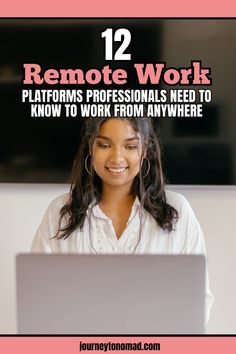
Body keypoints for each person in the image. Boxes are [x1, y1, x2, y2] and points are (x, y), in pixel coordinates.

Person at [31, 116, 214, 322]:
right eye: (105, 145)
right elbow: (39, 297)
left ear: (145, 151)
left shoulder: (177, 211)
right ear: (91, 148)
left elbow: (197, 302)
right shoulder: (60, 212)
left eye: (130, 146)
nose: (117, 157)